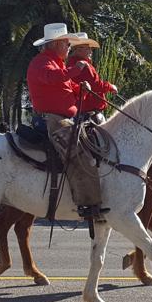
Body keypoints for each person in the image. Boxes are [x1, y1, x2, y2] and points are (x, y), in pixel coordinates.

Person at [26, 22, 106, 222]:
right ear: (56, 44)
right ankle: (87, 203)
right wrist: (74, 72)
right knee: (78, 151)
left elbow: (67, 84)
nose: (70, 47)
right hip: (52, 120)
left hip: (65, 118)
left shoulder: (56, 62)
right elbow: (52, 78)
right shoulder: (41, 62)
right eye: (67, 44)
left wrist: (81, 87)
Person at [67, 32, 117, 122]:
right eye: (88, 48)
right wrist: (110, 86)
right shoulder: (84, 65)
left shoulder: (69, 63)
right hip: (90, 113)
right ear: (79, 49)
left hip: (78, 111)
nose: (91, 51)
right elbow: (95, 85)